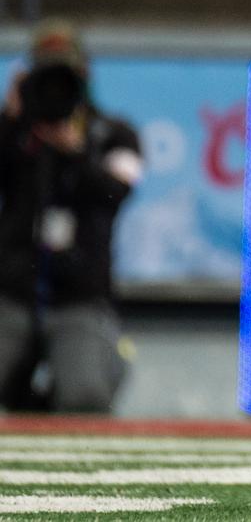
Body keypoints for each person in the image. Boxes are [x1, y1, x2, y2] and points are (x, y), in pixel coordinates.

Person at [0, 22, 143, 413]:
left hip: (79, 298)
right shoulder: (15, 132)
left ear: (84, 76)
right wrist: (11, 124)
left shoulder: (114, 133)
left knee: (84, 398)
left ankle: (104, 366)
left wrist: (76, 153)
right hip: (11, 294)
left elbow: (118, 193)